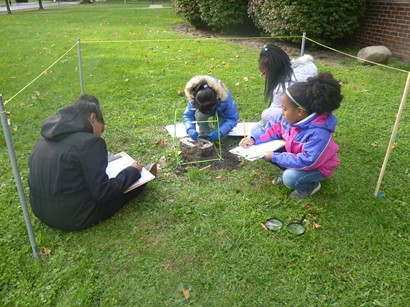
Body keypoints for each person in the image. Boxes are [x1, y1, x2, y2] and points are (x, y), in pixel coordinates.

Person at [27, 94, 157, 231]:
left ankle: (139, 173)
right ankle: (142, 174)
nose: (100, 135)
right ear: (93, 117)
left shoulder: (47, 133)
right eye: (101, 130)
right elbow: (103, 193)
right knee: (128, 186)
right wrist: (132, 171)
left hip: (39, 209)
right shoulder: (91, 143)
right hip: (72, 216)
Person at [241, 72, 343, 200]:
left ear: (299, 111)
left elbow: (308, 161)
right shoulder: (288, 118)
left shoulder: (319, 133)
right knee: (262, 148)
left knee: (289, 179)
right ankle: (288, 171)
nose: (281, 112)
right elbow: (273, 127)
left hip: (317, 167)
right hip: (297, 154)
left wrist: (275, 157)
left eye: (284, 108)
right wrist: (253, 139)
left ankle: (310, 185)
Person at [252, 44, 318, 137]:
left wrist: (254, 132)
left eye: (264, 73)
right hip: (316, 111)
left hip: (302, 116)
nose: (264, 76)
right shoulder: (307, 66)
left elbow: (272, 113)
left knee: (267, 114)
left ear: (273, 69)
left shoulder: (284, 86)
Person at [183, 75, 239, 141]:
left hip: (220, 113)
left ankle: (216, 133)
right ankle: (204, 134)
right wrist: (190, 129)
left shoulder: (225, 99)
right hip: (203, 111)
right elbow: (188, 115)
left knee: (222, 136)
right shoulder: (194, 98)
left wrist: (220, 131)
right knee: (200, 116)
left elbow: (232, 119)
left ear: (217, 99)